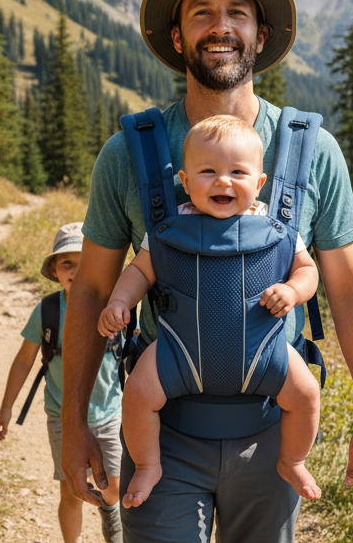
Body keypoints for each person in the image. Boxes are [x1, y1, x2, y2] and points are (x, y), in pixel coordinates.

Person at [62, 0, 353, 543]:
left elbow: (349, 283)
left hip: (271, 436)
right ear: (177, 36)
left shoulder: (311, 151)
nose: (221, 27)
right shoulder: (129, 153)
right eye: (202, 13)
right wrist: (75, 424)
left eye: (237, 13)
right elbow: (92, 287)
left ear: (261, 35)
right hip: (162, 432)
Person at [97, 114, 323, 508]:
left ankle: (292, 461)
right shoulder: (170, 225)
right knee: (137, 393)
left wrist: (292, 290)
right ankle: (148, 464)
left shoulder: (276, 225)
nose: (223, 181)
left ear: (259, 183)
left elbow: (308, 270)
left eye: (238, 172)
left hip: (266, 351)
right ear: (185, 182)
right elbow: (140, 271)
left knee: (306, 393)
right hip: (176, 350)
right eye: (208, 172)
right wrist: (119, 302)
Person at [0, 222, 123, 543]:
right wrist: (6, 407)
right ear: (54, 270)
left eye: (86, 262)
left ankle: (109, 508)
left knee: (112, 486)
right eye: (67, 263)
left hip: (109, 412)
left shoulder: (116, 306)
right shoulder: (48, 311)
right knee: (71, 490)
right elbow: (24, 361)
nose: (77, 271)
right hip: (62, 416)